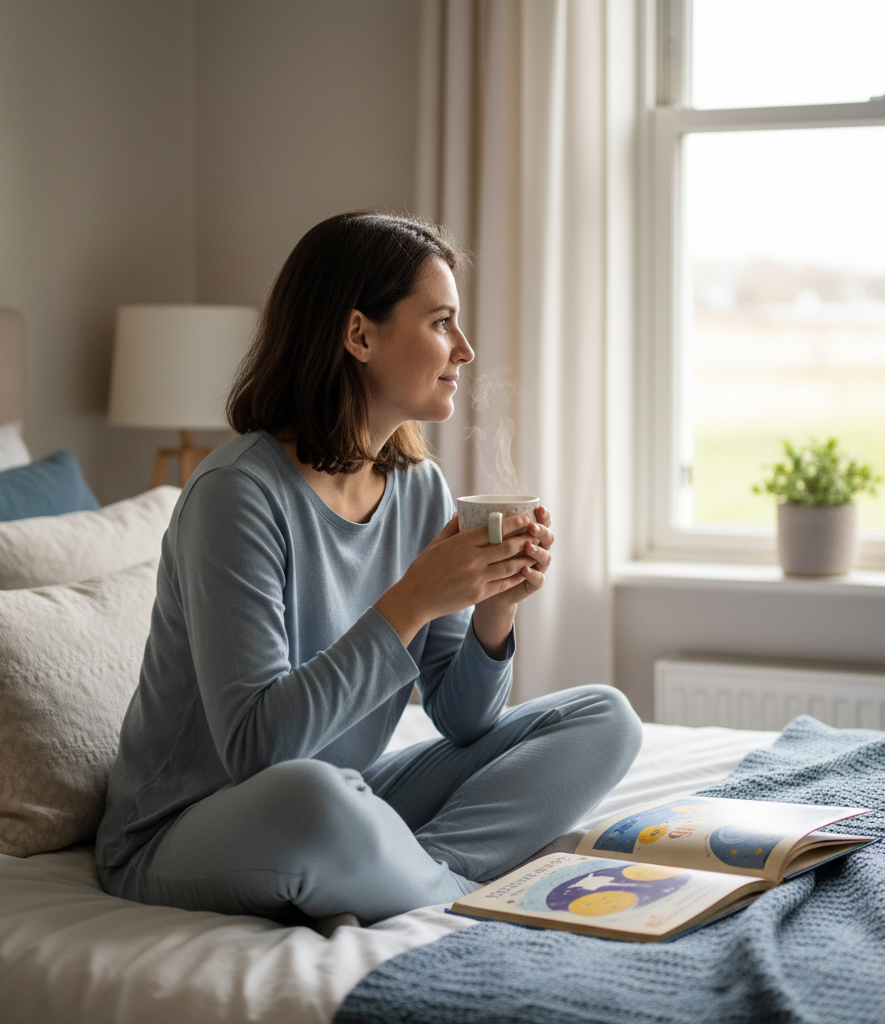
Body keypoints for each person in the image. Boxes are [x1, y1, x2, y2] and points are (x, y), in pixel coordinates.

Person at [96, 211, 642, 930]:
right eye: (442, 322)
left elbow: (462, 719)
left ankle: (418, 875)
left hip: (347, 793)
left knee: (605, 717)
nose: (466, 349)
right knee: (313, 803)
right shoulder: (235, 496)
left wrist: (493, 608)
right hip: (187, 826)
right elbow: (259, 748)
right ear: (359, 335)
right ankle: (422, 880)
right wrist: (411, 601)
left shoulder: (419, 488)